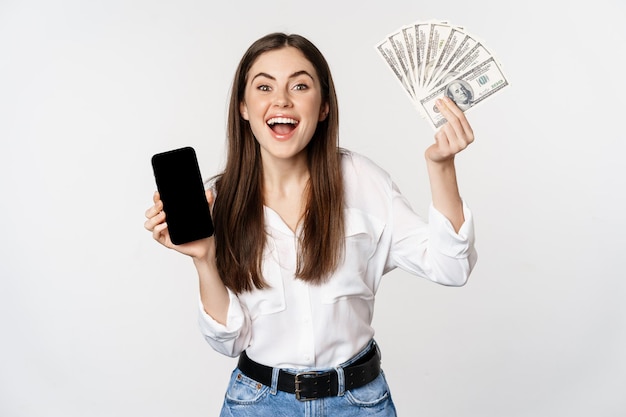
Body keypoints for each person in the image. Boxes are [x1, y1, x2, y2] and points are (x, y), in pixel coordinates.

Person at [144, 32, 477, 416]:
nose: (281, 100)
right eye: (264, 86)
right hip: (257, 403)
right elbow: (229, 342)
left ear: (323, 107)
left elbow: (452, 267)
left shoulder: (363, 180)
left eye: (300, 85)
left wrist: (442, 166)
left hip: (359, 402)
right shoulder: (217, 201)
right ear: (244, 107)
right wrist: (203, 258)